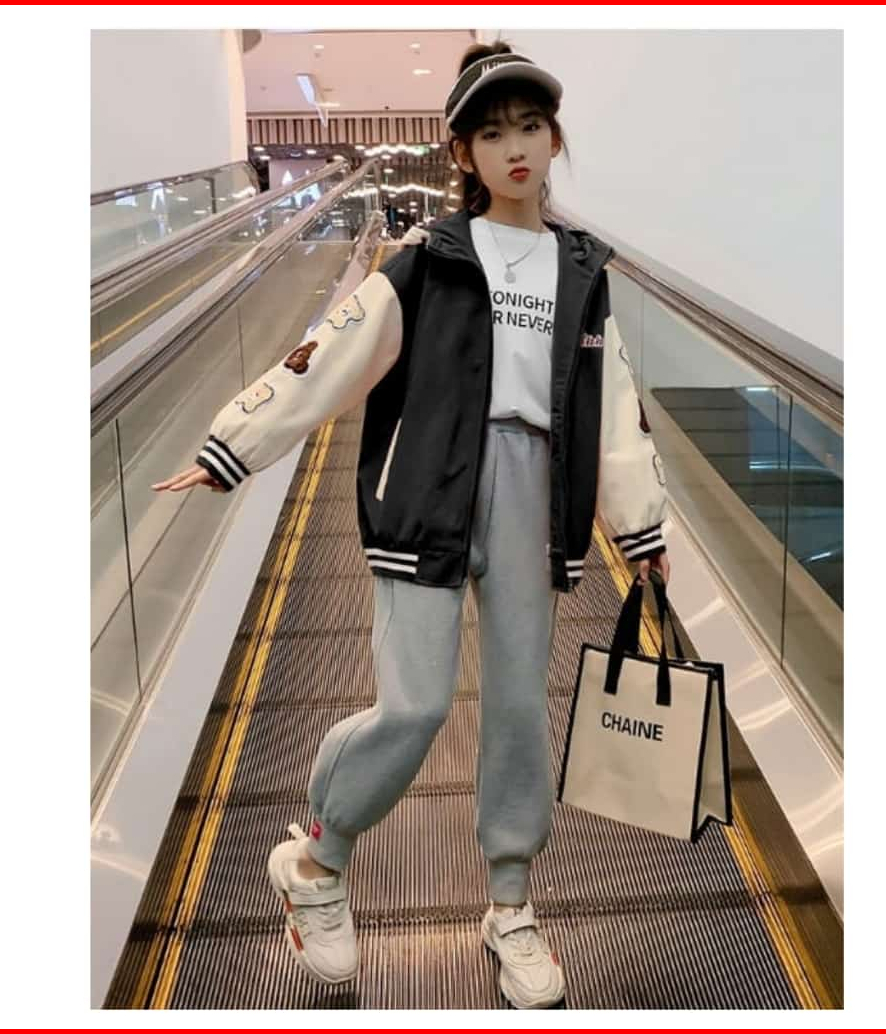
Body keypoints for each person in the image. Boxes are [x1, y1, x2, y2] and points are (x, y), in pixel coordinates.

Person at [152, 41, 670, 1010]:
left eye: (530, 127)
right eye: (493, 133)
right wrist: (235, 443)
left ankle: (510, 905)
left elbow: (612, 400)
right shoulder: (428, 262)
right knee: (415, 706)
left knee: (517, 709)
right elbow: (331, 351)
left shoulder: (582, 270)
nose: (516, 147)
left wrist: (640, 525)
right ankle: (317, 859)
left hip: (535, 493)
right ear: (462, 153)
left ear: (554, 139)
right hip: (427, 489)